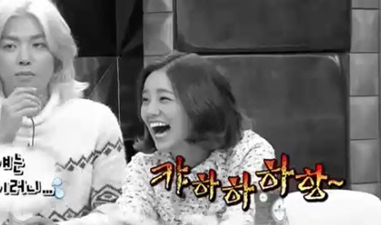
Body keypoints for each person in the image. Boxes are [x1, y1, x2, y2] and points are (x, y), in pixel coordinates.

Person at [0, 0, 126, 225]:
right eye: (10, 46)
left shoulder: (97, 122)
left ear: (57, 56)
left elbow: (117, 214)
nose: (24, 58)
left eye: (38, 45)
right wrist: (1, 143)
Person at [114, 52, 280, 224]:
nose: (150, 111)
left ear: (200, 104)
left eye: (164, 99)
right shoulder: (144, 167)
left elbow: (254, 220)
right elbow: (127, 219)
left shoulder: (251, 152)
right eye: (146, 100)